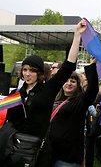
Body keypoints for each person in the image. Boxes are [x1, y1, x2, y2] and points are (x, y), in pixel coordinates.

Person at [3, 19, 86, 167]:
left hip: (38, 152)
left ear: (39, 73)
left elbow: (68, 66)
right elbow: (6, 118)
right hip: (16, 150)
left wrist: (77, 36)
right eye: (25, 69)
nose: (28, 74)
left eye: (32, 70)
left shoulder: (47, 89)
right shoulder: (16, 94)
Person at [50, 58, 98, 166]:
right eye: (66, 80)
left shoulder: (79, 102)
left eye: (73, 81)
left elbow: (92, 90)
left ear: (78, 84)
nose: (69, 83)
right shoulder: (54, 99)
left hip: (67, 158)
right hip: (49, 153)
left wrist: (92, 66)